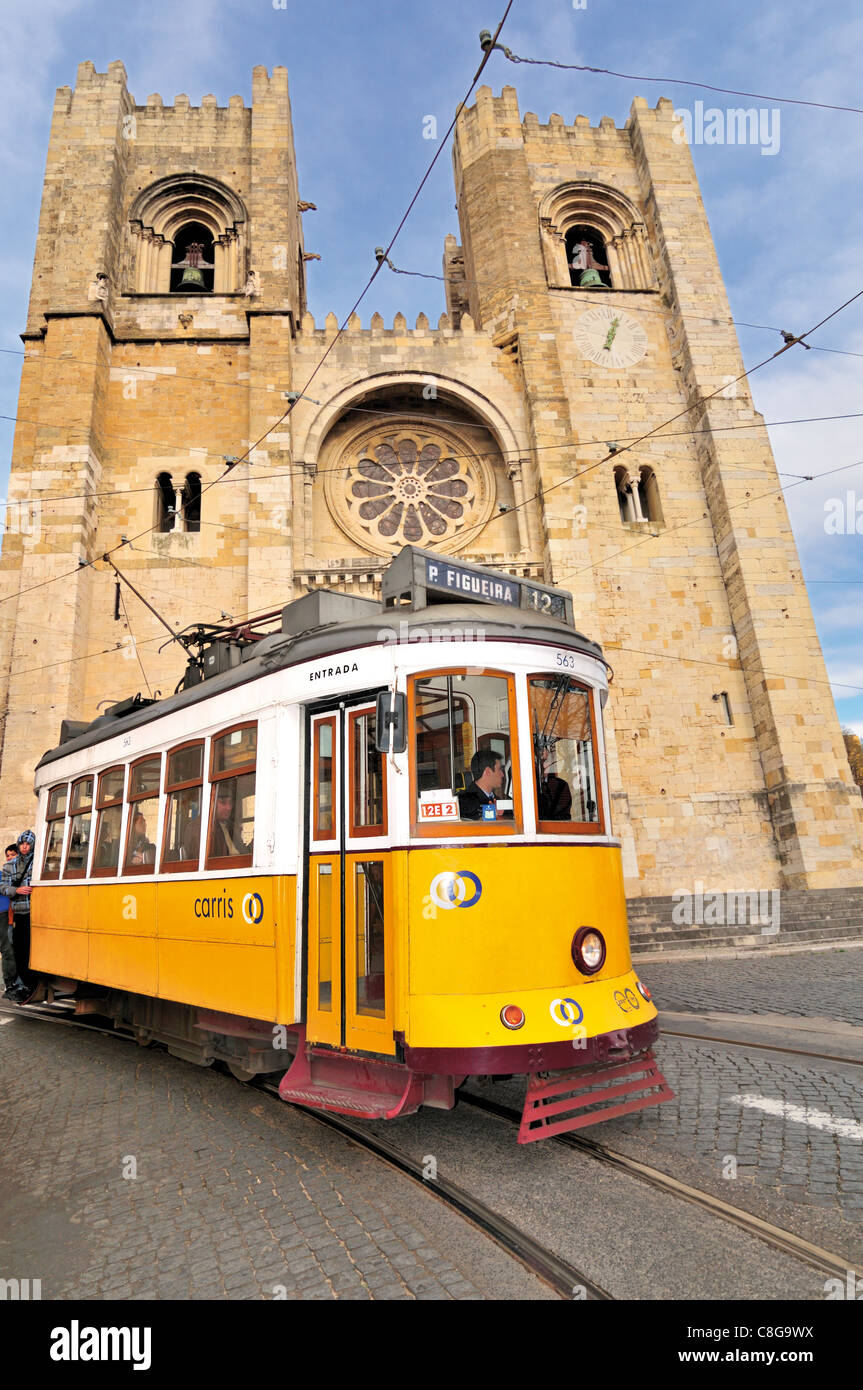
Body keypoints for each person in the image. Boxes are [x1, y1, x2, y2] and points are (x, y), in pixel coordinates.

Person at [1, 830, 36, 1002]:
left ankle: (32, 984)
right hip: (20, 913)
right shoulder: (9, 866)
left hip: (37, 912)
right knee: (19, 951)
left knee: (33, 950)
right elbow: (3, 887)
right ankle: (23, 985)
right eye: (22, 843)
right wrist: (17, 890)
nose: (24, 846)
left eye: (28, 844)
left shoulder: (38, 863)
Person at [457, 750, 506, 821]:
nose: (502, 774)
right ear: (488, 771)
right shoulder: (463, 801)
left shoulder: (497, 800)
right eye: (499, 769)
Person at [208, 784, 251, 858]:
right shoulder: (202, 827)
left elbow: (241, 851)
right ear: (212, 803)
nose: (228, 808)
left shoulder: (230, 826)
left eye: (230, 803)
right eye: (223, 802)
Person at [0, 843, 20, 999]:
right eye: (7, 855)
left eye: (12, 854)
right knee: (8, 951)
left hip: (14, 914)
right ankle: (10, 984)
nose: (9, 857)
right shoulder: (3, 875)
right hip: (4, 915)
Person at [537, 743, 573, 821]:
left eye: (545, 760)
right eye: (540, 760)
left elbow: (565, 815)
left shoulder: (561, 785)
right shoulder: (530, 785)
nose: (542, 764)